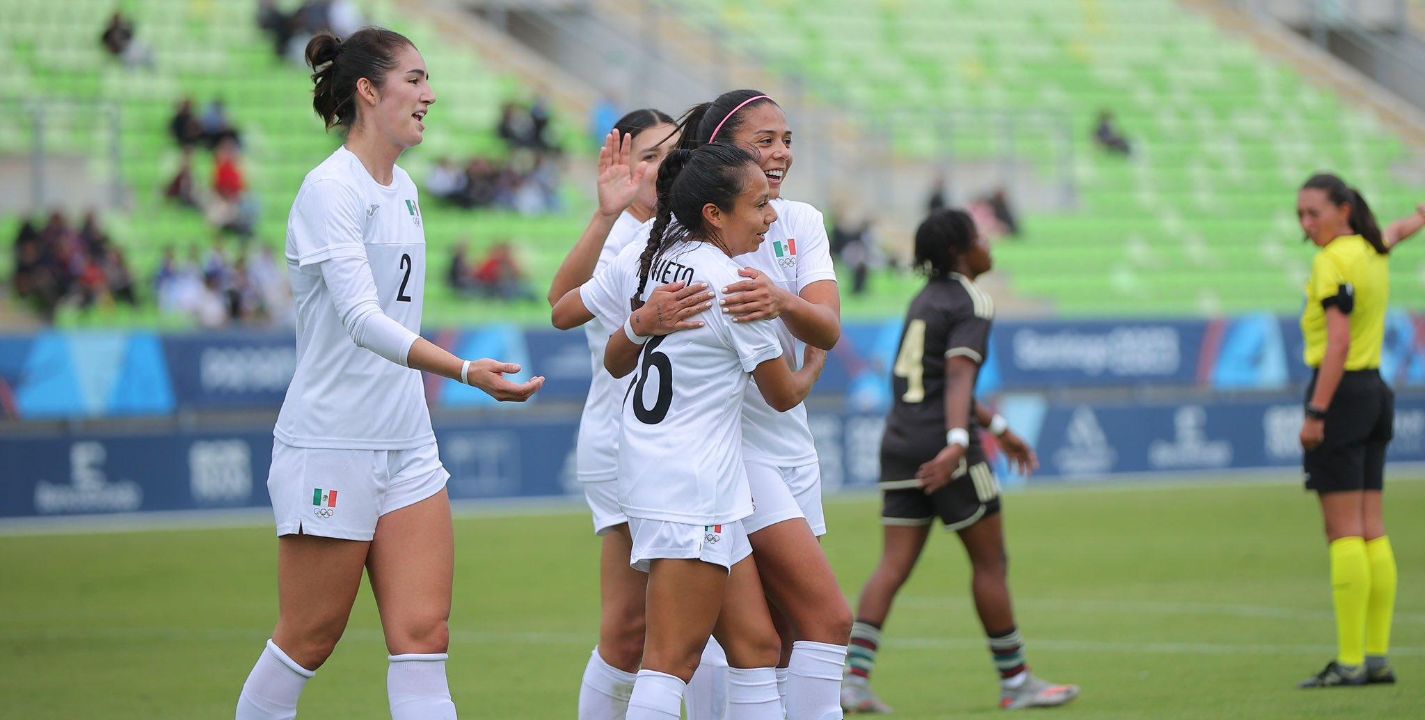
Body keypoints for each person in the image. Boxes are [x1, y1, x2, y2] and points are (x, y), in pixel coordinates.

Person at [233, 28, 544, 720]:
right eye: (415, 79)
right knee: (309, 639)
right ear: (368, 93)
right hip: (331, 444)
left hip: (406, 444)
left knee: (424, 637)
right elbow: (362, 321)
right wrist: (464, 370)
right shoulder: (328, 189)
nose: (429, 94)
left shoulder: (402, 187)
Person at [556, 141, 823, 719]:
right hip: (691, 488)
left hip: (675, 478)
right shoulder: (731, 286)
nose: (771, 216)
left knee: (756, 646)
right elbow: (783, 396)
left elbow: (607, 354)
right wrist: (818, 353)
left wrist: (638, 321)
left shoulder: (648, 255)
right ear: (714, 214)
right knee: (670, 661)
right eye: (757, 206)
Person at [659, 90, 849, 720]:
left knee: (781, 636)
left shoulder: (800, 221)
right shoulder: (692, 241)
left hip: (791, 448)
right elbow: (580, 313)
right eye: (764, 141)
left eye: (787, 140)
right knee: (787, 628)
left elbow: (824, 324)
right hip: (730, 456)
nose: (781, 154)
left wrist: (783, 303)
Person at [841, 209, 1079, 714]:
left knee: (893, 564)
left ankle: (852, 681)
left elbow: (930, 383)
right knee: (991, 563)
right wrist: (956, 442)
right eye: (979, 236)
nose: (988, 242)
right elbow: (955, 377)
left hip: (901, 442)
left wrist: (998, 428)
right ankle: (1017, 683)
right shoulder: (971, 300)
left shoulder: (923, 299)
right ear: (959, 251)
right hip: (946, 450)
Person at [544, 109, 687, 720]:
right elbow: (560, 303)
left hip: (679, 443)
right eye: (648, 156)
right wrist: (604, 214)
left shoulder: (683, 232)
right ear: (622, 167)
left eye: (672, 154)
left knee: (688, 624)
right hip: (623, 444)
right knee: (631, 630)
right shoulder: (624, 238)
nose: (662, 168)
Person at [1293, 173, 1422, 688]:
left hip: (1342, 395)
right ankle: (1376, 656)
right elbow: (1393, 233)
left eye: (1314, 213)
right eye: (1300, 216)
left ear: (1344, 209)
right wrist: (1418, 221)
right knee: (1372, 526)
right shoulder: (1369, 250)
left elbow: (1338, 343)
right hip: (1376, 393)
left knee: (1343, 531)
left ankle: (1349, 662)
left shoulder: (1332, 261)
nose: (1306, 225)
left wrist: (1316, 413)